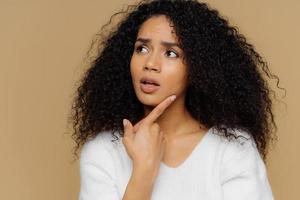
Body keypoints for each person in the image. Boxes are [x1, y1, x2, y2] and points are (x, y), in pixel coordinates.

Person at [69, 0, 285, 199]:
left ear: (197, 68)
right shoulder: (104, 152)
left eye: (171, 53)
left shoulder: (231, 150)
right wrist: (143, 172)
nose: (150, 63)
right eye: (142, 48)